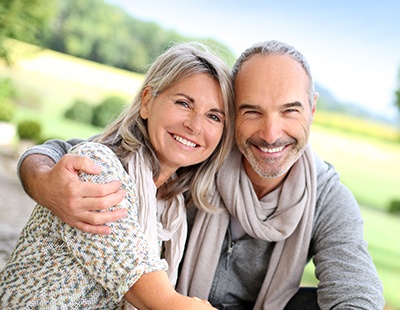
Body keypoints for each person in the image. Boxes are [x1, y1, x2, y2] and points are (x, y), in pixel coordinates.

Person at [14, 40, 384, 309]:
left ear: (313, 109)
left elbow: (356, 292)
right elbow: (75, 153)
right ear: (235, 114)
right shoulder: (197, 164)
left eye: (290, 110)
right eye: (252, 111)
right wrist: (43, 180)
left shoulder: (324, 198)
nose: (271, 134)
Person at [0, 42, 236, 309]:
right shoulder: (98, 170)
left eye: (214, 117)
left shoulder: (172, 206)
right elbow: (156, 296)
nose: (194, 125)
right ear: (147, 102)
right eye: (183, 103)